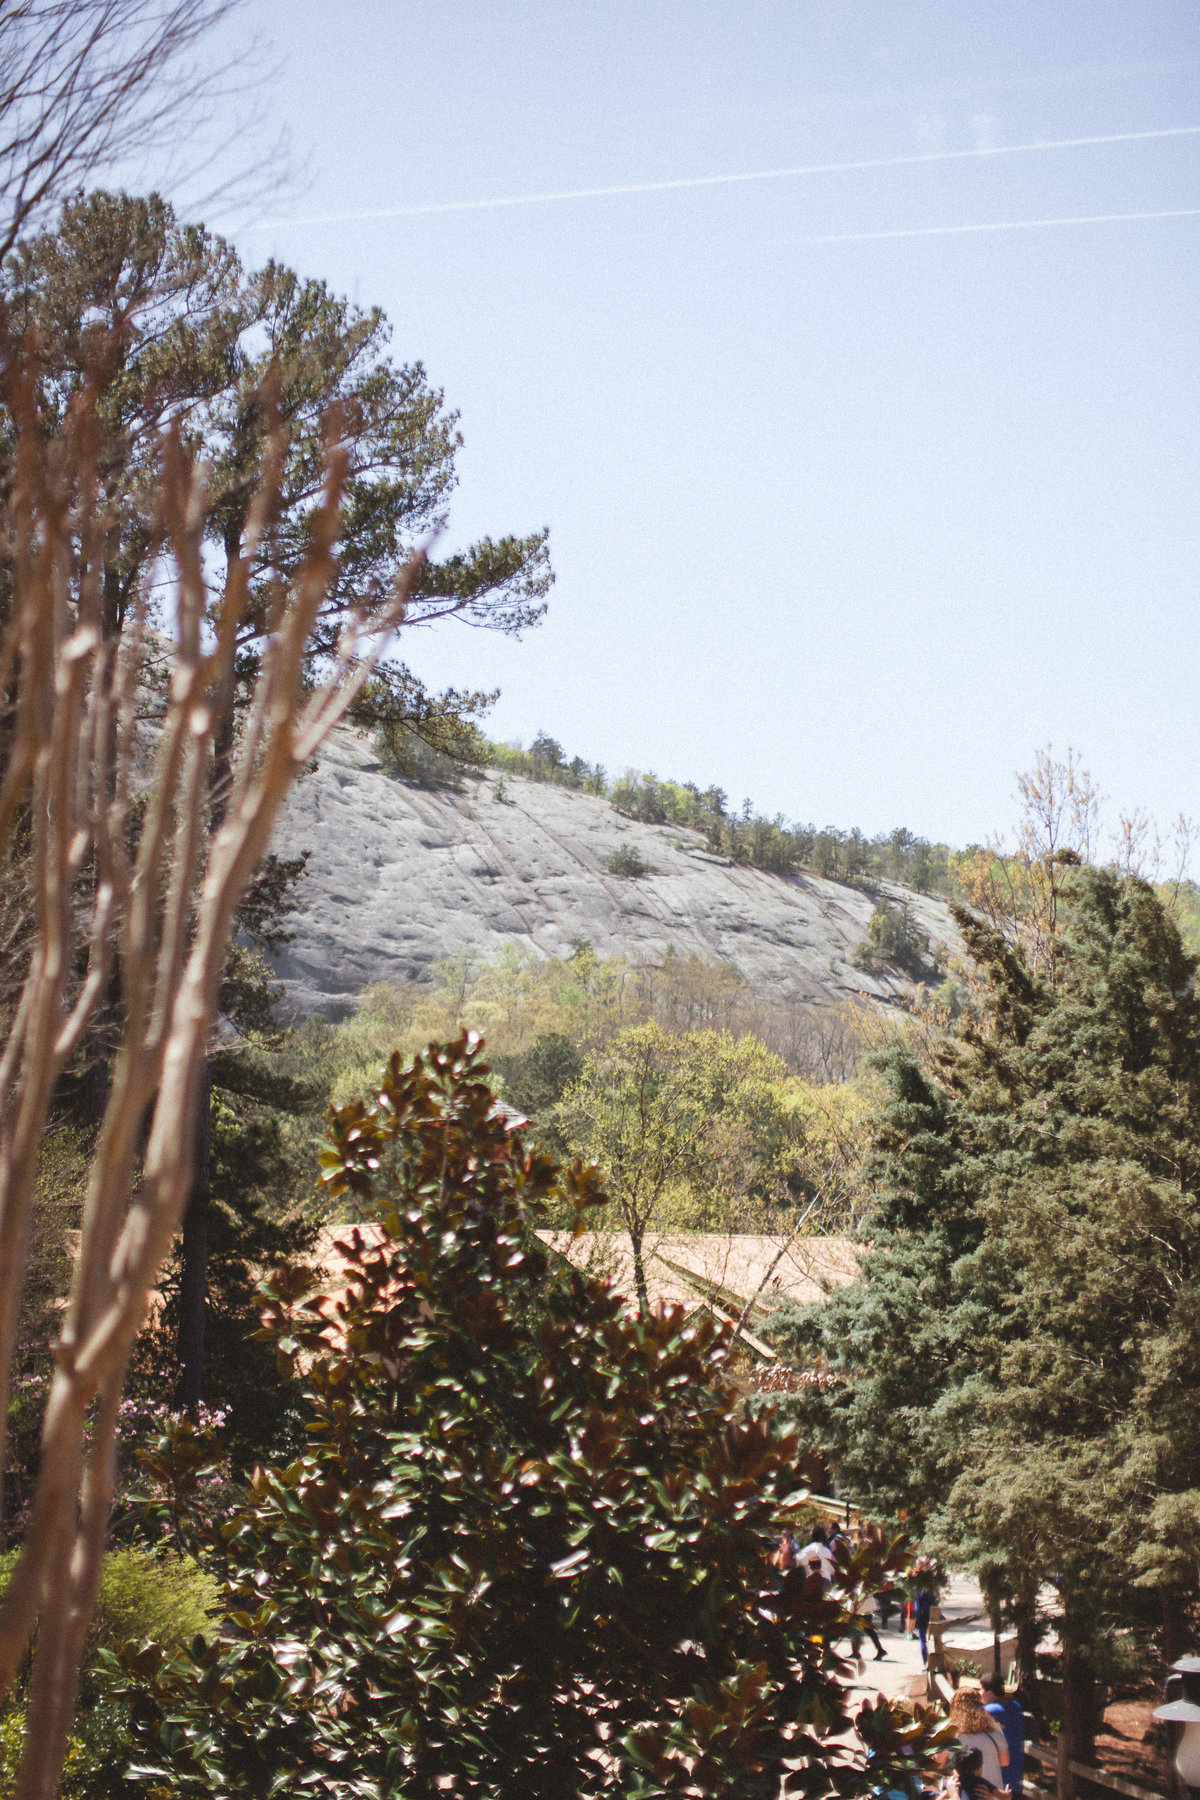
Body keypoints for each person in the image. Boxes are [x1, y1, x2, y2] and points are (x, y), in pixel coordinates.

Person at [948, 1688, 1010, 1792]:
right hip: (993, 1793)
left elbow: (940, 1762)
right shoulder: (994, 1728)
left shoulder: (953, 1733)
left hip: (966, 1793)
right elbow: (1005, 1761)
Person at [981, 1673, 1026, 1796]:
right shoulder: (1016, 1707)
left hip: (998, 1783)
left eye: (981, 1690)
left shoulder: (989, 1711)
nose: (980, 1694)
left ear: (990, 1693)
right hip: (1016, 1778)